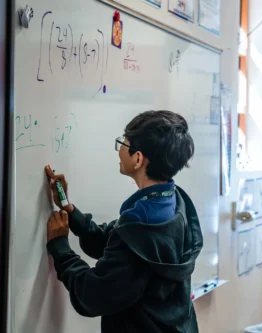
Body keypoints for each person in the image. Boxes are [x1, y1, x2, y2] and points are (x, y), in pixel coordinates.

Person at [45, 110, 203, 333]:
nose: (119, 150)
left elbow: (93, 296)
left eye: (123, 143)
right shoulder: (173, 202)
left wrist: (61, 249)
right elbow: (115, 241)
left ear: (138, 158)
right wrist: (70, 211)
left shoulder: (140, 224)